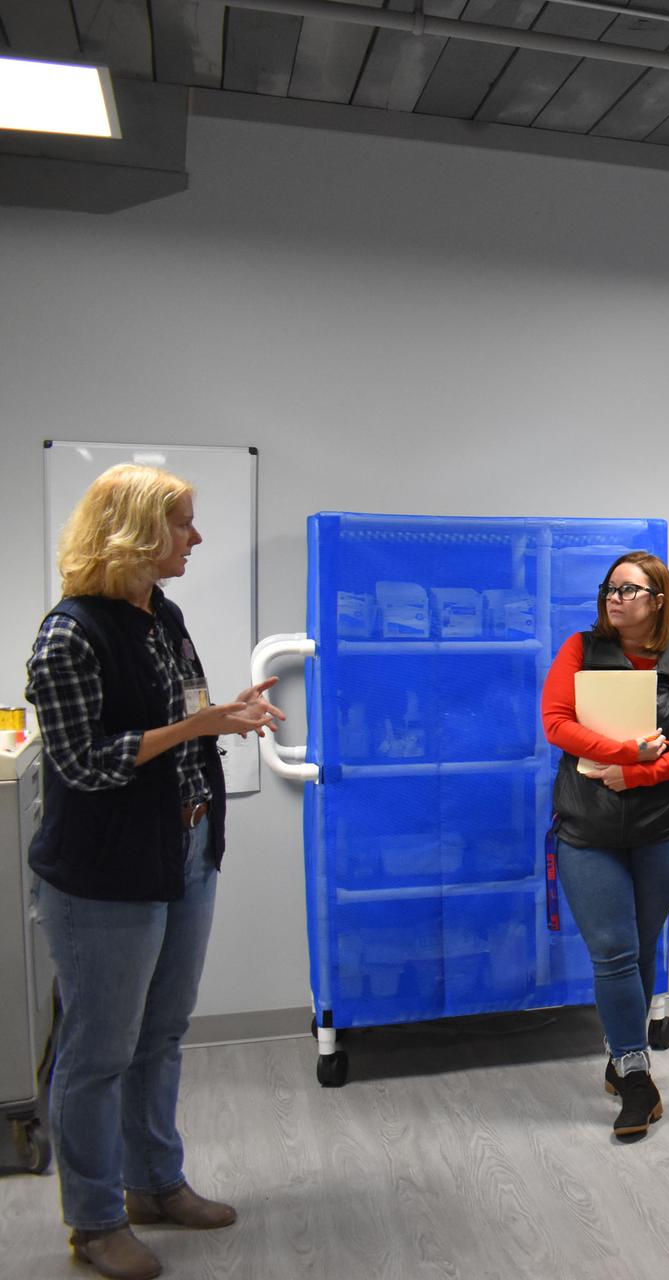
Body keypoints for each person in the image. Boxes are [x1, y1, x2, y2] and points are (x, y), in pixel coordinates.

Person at [25, 464, 284, 1280]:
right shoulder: (68, 635)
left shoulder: (160, 615)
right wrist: (198, 724)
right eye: (182, 524)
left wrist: (223, 716)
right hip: (104, 877)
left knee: (162, 1036)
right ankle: (96, 1221)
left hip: (185, 854)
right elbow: (86, 763)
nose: (196, 539)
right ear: (135, 532)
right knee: (99, 1052)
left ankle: (155, 1184)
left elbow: (184, 714)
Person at [540, 551, 669, 1141]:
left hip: (664, 829)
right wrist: (625, 754)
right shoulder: (580, 651)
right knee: (613, 949)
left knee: (638, 946)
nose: (614, 598)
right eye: (610, 588)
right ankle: (637, 1075)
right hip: (588, 827)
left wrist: (638, 774)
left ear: (658, 601)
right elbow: (556, 722)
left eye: (629, 590)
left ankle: (622, 1057)